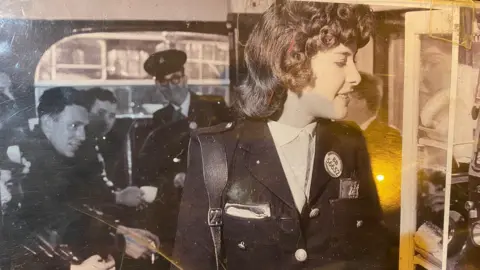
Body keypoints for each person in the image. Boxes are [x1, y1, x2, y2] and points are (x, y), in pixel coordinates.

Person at [172, 2, 391, 270]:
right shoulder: (217, 151)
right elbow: (192, 262)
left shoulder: (349, 143)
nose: (355, 76)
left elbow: (373, 252)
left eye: (354, 61)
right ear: (292, 63)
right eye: (341, 61)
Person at [10, 87, 159, 269]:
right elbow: (43, 230)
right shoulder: (26, 165)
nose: (82, 136)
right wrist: (118, 240)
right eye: (74, 126)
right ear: (48, 122)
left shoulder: (53, 157)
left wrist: (119, 231)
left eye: (84, 127)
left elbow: (72, 211)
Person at [345, 71, 402, 238]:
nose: (341, 101)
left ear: (361, 101)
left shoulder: (391, 138)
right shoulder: (340, 134)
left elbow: (386, 198)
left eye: (347, 96)